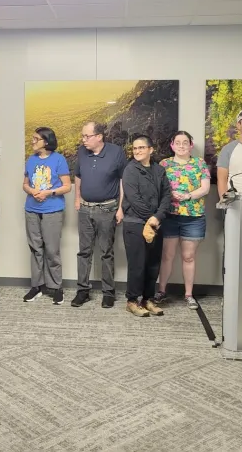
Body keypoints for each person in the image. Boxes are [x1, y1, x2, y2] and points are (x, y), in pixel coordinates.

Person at [72, 121, 127, 309]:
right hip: (85, 209)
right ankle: (82, 291)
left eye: (87, 136)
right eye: (83, 136)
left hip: (107, 209)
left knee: (106, 252)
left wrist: (121, 208)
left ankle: (108, 292)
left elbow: (122, 180)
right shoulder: (82, 152)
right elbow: (77, 176)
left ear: (99, 137)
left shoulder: (116, 152)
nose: (83, 140)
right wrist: (77, 199)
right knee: (84, 252)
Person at [157, 131, 210, 309]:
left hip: (193, 217)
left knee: (188, 257)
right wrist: (171, 194)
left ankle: (188, 294)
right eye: (177, 142)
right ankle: (161, 291)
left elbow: (205, 188)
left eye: (185, 142)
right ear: (172, 145)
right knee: (167, 256)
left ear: (191, 145)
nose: (181, 146)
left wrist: (187, 196)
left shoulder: (199, 163)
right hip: (169, 216)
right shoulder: (164, 164)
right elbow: (158, 188)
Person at [121, 135, 172, 317]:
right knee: (138, 265)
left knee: (153, 264)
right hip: (135, 223)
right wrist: (151, 218)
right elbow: (134, 199)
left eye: (141, 148)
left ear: (151, 150)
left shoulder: (159, 170)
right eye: (135, 148)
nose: (137, 151)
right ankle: (132, 301)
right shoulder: (130, 170)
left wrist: (157, 218)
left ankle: (148, 299)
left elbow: (167, 196)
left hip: (156, 224)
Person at [22, 127, 71, 305]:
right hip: (31, 209)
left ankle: (56, 287)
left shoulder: (59, 159)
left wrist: (48, 193)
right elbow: (25, 184)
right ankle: (36, 286)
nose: (32, 141)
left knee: (52, 250)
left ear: (46, 141)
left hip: (52, 209)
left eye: (36, 139)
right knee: (35, 249)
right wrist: (32, 190)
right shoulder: (31, 160)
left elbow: (67, 186)